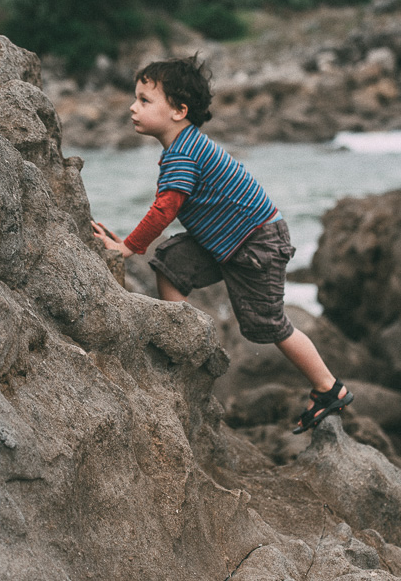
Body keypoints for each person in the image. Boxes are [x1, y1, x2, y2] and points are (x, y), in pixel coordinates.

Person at [91, 54, 352, 433]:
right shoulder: (184, 146)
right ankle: (183, 342)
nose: (133, 107)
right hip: (226, 241)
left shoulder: (183, 153)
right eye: (136, 98)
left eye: (145, 100)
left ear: (179, 111)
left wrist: (128, 248)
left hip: (255, 244)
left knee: (268, 325)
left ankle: (330, 388)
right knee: (171, 263)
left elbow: (164, 211)